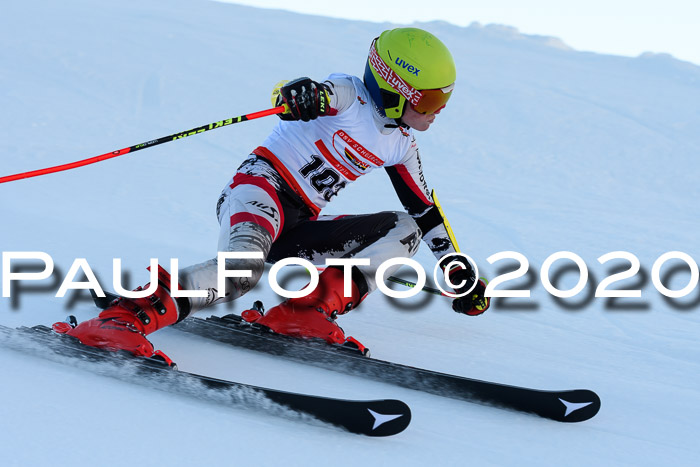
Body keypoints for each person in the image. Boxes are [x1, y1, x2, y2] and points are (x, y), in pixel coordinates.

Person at [53, 27, 490, 360]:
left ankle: (305, 312)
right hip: (260, 191)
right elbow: (310, 92)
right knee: (240, 272)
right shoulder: (347, 96)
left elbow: (427, 213)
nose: (438, 112)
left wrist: (457, 271)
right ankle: (121, 319)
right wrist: (300, 94)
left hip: (299, 224)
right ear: (396, 89)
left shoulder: (401, 144)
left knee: (407, 227)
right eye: (430, 101)